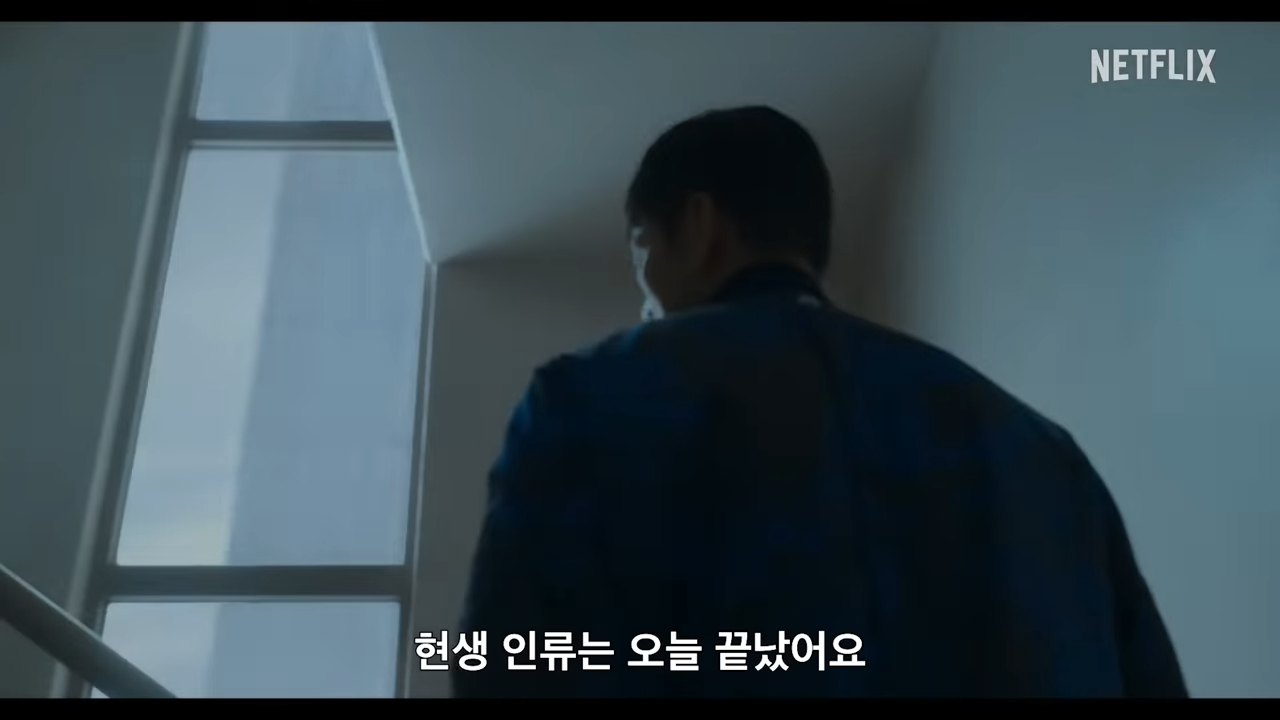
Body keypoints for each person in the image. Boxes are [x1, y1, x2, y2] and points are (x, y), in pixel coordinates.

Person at [452, 106, 1187, 698]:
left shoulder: (587, 398)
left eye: (642, 245)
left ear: (701, 225)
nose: (643, 296)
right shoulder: (1047, 458)